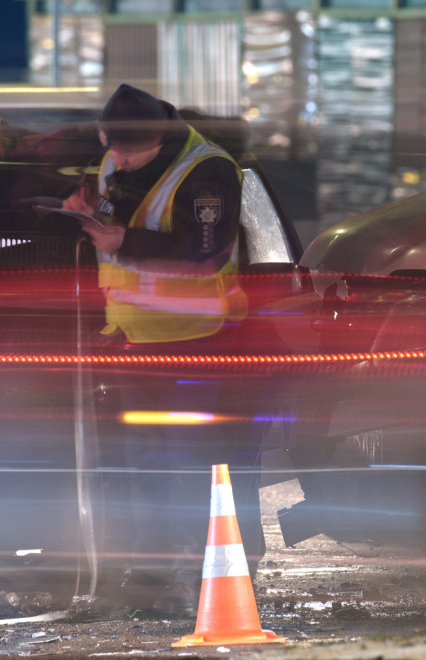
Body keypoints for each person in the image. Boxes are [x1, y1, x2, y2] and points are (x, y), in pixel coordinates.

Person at [62, 84, 263, 618]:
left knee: (193, 462)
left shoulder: (207, 172)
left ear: (159, 138)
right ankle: (153, 574)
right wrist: (87, 210)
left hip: (196, 339)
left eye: (132, 152)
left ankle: (208, 572)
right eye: (114, 149)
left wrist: (122, 242)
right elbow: (116, 207)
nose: (121, 160)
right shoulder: (116, 156)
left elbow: (205, 253)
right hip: (135, 338)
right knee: (144, 462)